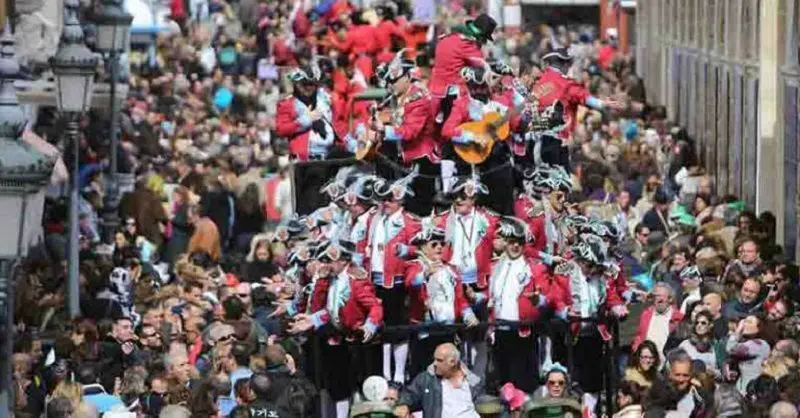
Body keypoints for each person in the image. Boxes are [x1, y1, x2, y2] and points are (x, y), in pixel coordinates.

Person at [361, 173, 421, 385]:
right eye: (383, 199)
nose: (385, 203)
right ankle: (386, 374)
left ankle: (399, 374)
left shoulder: (409, 222)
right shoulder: (374, 219)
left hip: (397, 280)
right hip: (375, 279)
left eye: (390, 200)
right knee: (382, 328)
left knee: (399, 329)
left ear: (400, 201)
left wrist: (407, 250)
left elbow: (421, 249)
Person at [367, 52, 440, 216]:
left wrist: (383, 129)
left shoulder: (418, 98)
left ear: (407, 77)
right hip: (401, 156)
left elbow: (410, 132)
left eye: (394, 81)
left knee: (418, 209)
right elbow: (384, 117)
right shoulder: (394, 97)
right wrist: (373, 125)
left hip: (420, 157)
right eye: (388, 81)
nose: (390, 85)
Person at [405, 220, 477, 378]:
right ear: (423, 247)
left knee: (448, 372)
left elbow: (459, 298)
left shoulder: (451, 269)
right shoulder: (416, 266)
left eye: (441, 244)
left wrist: (468, 314)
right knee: (424, 372)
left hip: (448, 329)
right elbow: (410, 283)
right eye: (434, 244)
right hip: (426, 330)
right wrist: (425, 274)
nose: (439, 247)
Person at [531, 47, 625, 170]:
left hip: (536, 141)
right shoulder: (566, 84)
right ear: (565, 64)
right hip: (560, 141)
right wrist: (602, 103)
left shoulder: (537, 84)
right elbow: (585, 98)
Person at [394, 343, 484, 418]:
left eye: (439, 360)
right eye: (434, 359)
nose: (435, 363)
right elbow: (410, 394)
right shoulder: (427, 379)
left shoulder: (473, 382)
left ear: (452, 362)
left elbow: (484, 403)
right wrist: (403, 404)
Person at [632, 282, 683, 364]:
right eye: (655, 296)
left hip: (668, 363)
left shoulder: (678, 317)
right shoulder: (646, 314)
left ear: (670, 299)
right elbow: (639, 337)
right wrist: (636, 351)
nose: (657, 299)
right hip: (646, 362)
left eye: (660, 296)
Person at [727, 315, 771, 394]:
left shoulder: (759, 344)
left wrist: (738, 331)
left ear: (758, 328)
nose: (743, 324)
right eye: (744, 321)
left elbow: (731, 349)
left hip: (753, 389)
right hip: (742, 387)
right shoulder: (745, 342)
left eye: (749, 322)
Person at [676, 310, 723, 375]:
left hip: (710, 379)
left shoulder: (716, 346)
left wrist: (713, 372)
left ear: (710, 325)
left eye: (703, 323)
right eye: (697, 323)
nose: (699, 325)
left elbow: (722, 372)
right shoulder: (685, 345)